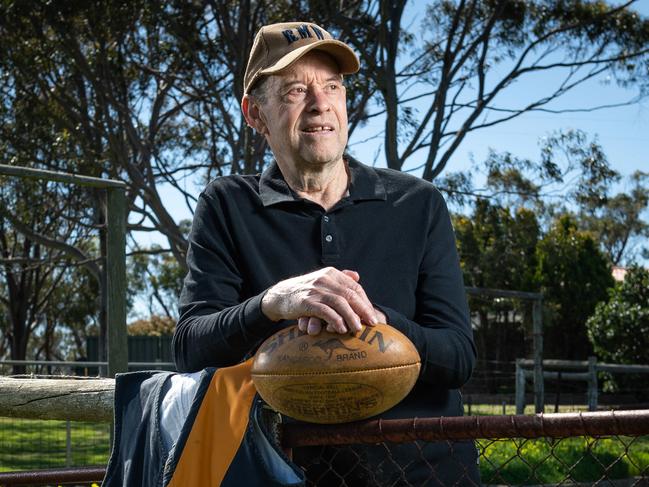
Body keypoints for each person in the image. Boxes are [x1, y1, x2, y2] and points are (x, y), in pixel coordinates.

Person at [173, 21, 480, 486]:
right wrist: (273, 303)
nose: (321, 104)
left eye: (332, 86)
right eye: (296, 90)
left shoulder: (417, 203)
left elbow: (458, 357)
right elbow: (190, 348)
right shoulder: (226, 204)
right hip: (291, 473)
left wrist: (374, 322)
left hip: (427, 474)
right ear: (254, 113)